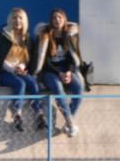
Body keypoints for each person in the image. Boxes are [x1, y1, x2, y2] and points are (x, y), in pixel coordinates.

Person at [0, 7, 44, 132]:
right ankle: (17, 115)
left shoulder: (26, 37)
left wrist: (22, 66)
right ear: (10, 20)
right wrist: (12, 69)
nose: (17, 21)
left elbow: (28, 58)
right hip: (5, 72)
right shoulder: (3, 36)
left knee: (32, 83)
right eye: (14, 18)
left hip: (19, 70)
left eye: (20, 18)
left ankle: (40, 115)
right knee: (20, 84)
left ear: (24, 21)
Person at [33, 8, 85, 137]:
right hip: (50, 72)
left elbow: (72, 58)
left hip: (66, 70)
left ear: (64, 20)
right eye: (54, 18)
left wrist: (68, 72)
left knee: (79, 87)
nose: (57, 20)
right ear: (51, 21)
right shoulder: (45, 36)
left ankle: (69, 122)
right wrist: (59, 74)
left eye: (60, 17)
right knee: (58, 88)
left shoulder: (69, 36)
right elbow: (44, 61)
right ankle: (71, 122)